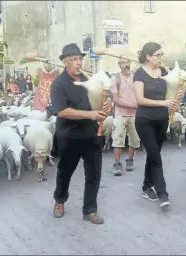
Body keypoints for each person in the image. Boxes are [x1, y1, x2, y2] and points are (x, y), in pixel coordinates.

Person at [50, 43, 111, 225]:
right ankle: (59, 201)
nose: (79, 63)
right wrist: (89, 114)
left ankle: (90, 210)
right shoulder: (59, 84)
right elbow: (61, 111)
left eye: (80, 59)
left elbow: (101, 100)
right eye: (74, 60)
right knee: (65, 171)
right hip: (69, 135)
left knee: (94, 173)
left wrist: (107, 105)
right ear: (66, 62)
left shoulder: (89, 79)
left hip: (91, 133)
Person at [134, 42, 182, 208]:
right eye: (158, 55)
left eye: (162, 55)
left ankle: (147, 186)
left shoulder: (164, 72)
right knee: (156, 156)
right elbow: (139, 99)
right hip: (144, 120)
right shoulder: (139, 74)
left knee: (153, 155)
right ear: (148, 56)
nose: (161, 58)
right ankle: (163, 193)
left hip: (161, 120)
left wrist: (178, 94)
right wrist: (162, 103)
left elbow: (173, 97)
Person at [109, 58, 139, 176]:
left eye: (127, 62)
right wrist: (130, 105)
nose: (125, 65)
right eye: (122, 63)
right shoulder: (115, 78)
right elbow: (115, 99)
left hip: (135, 114)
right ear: (119, 65)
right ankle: (117, 163)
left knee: (135, 139)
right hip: (120, 114)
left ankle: (130, 160)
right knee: (118, 139)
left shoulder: (136, 78)